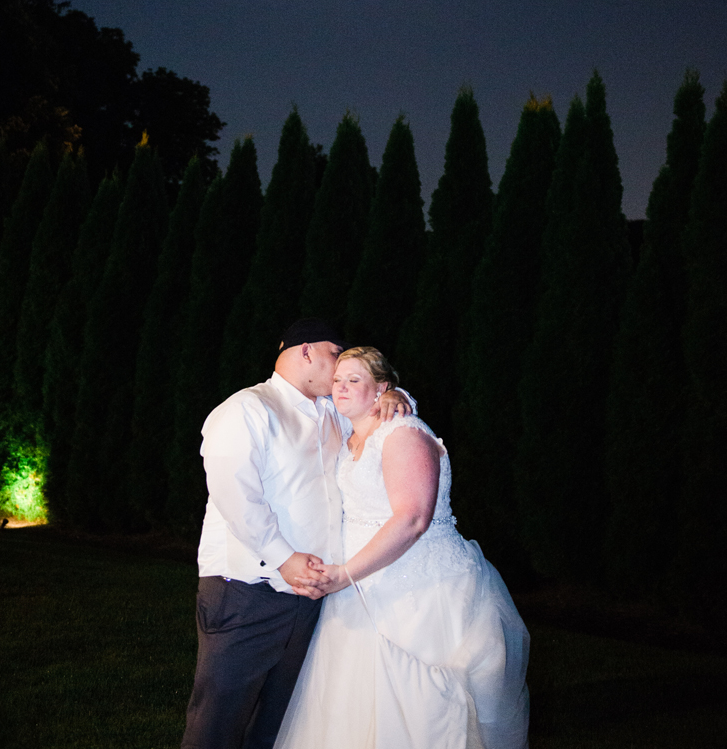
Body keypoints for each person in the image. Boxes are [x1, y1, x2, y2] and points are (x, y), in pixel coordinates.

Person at [275, 346, 530, 749]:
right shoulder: (350, 432)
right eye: (338, 380)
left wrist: (344, 574)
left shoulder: (402, 432)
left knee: (422, 706)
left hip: (421, 588)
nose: (340, 388)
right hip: (360, 590)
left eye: (354, 380)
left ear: (382, 390)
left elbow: (412, 519)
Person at [180, 319, 411, 749]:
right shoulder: (247, 409)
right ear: (306, 351)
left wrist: (395, 393)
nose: (340, 372)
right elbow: (237, 498)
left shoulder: (331, 415)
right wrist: (285, 558)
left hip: (311, 598)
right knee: (219, 723)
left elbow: (377, 416)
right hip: (247, 591)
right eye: (333, 358)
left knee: (280, 724)